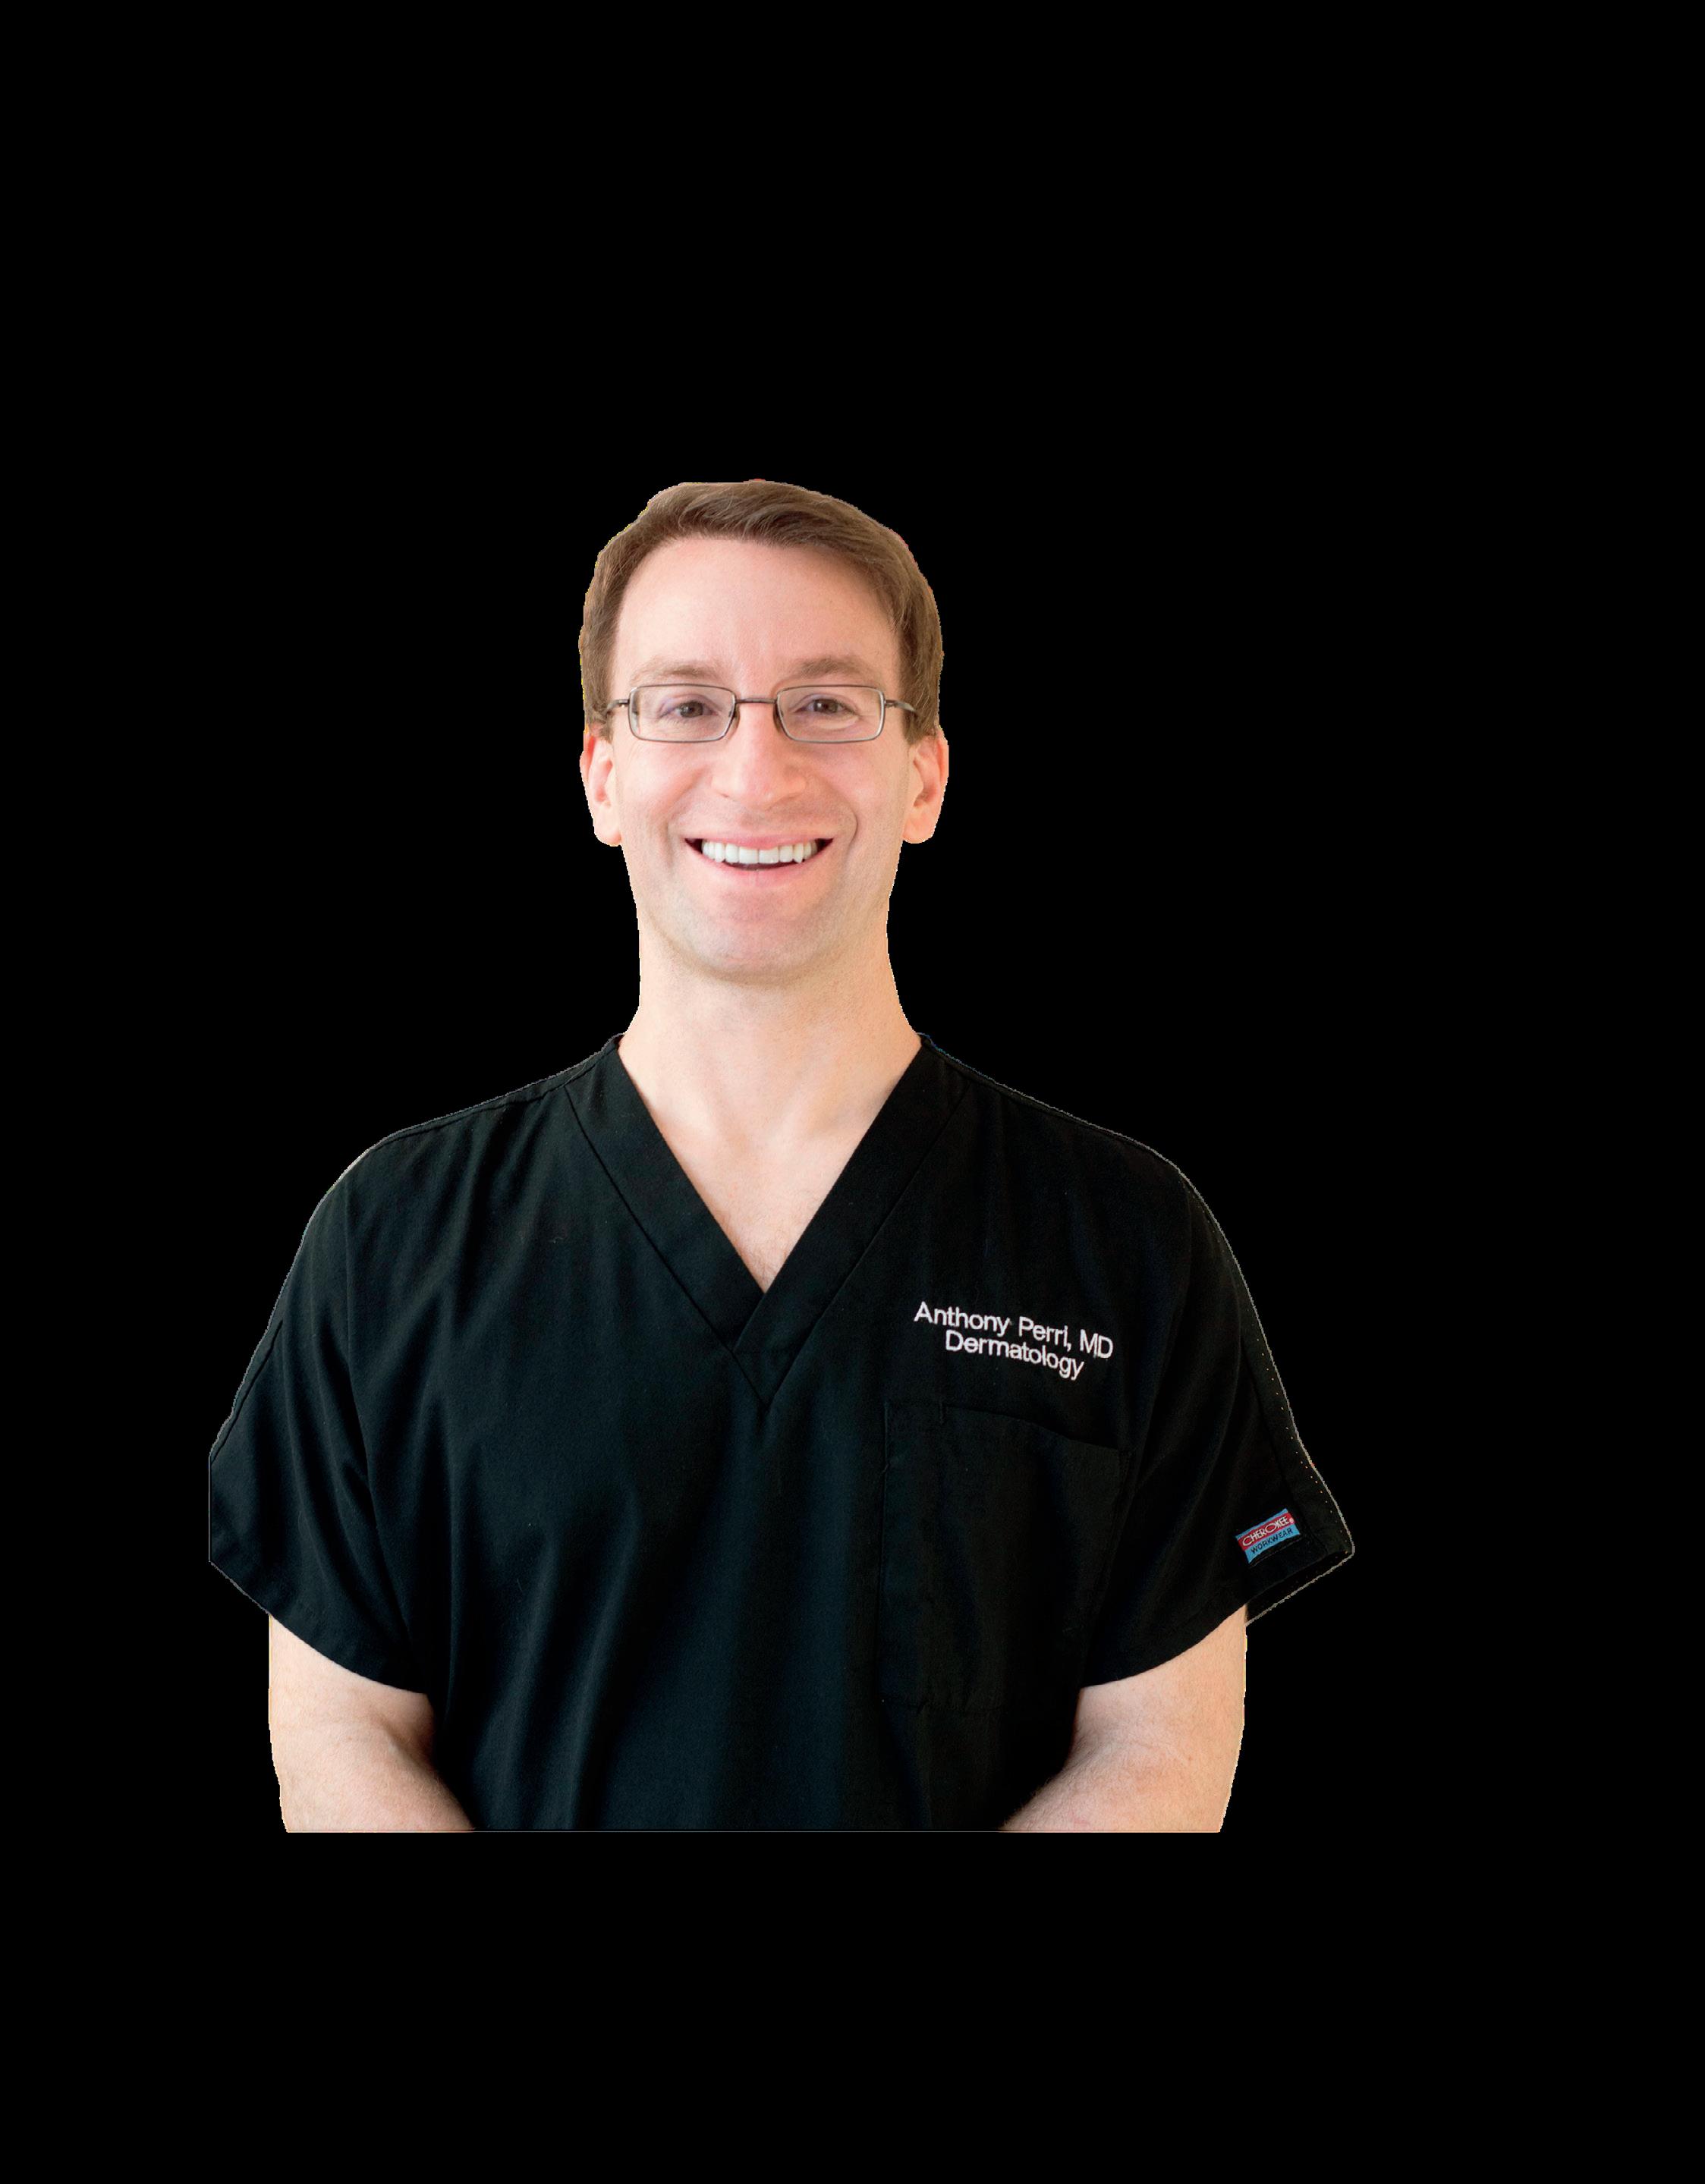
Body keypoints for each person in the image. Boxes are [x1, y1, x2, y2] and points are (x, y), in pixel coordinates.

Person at [207, 478, 1354, 1831]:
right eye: (687, 705)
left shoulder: (1127, 1240)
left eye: (826, 703)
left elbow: (1159, 1743)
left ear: (923, 775)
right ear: (602, 774)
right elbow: (341, 1732)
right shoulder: (394, 1239)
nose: (756, 770)